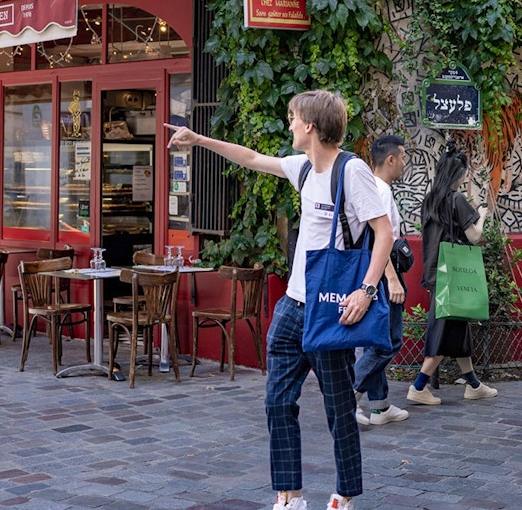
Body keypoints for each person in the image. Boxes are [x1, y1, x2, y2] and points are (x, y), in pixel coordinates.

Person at [165, 90, 393, 510]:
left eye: (292, 118)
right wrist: (199, 140)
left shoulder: (352, 170)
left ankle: (345, 495)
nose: (288, 124)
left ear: (310, 126)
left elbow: (384, 232)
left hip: (331, 307)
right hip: (293, 304)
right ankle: (289, 494)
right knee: (277, 401)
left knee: (339, 409)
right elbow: (251, 158)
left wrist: (366, 289)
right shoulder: (303, 168)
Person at [406, 146, 499, 406]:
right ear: (459, 173)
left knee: (458, 329)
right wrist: (481, 216)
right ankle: (419, 386)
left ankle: (473, 385)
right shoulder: (456, 199)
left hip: (437, 271)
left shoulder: (431, 199)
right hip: (453, 274)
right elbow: (475, 236)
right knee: (443, 330)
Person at [353, 135, 411, 427]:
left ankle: (380, 405)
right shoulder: (380, 191)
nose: (404, 162)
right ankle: (350, 392)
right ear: (390, 160)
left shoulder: (373, 187)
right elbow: (380, 237)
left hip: (374, 273)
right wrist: (392, 279)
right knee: (388, 342)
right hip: (384, 274)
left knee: (377, 339)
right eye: (402, 157)